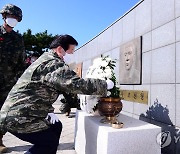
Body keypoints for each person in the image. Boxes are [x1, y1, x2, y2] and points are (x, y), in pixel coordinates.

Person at [0, 34, 114, 154]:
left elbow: (56, 91)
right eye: (71, 51)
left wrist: (51, 109)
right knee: (48, 142)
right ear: (60, 49)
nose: (72, 55)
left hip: (27, 111)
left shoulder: (47, 60)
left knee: (55, 126)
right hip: (18, 115)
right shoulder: (52, 63)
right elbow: (74, 84)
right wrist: (104, 85)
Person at [0, 4, 25, 153]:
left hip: (9, 83)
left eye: (16, 18)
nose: (13, 19)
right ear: (4, 16)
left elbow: (21, 62)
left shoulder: (18, 39)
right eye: (11, 16)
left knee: (4, 112)